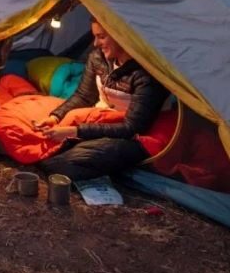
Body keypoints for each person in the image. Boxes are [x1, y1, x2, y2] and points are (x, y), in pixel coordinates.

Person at [34, 19, 170, 181]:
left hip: (136, 135)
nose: (96, 43)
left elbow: (133, 127)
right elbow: (84, 96)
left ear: (121, 36)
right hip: (103, 118)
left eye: (102, 37)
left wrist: (75, 131)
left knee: (63, 164)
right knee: (32, 130)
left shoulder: (146, 74)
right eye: (95, 37)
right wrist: (55, 117)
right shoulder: (98, 58)